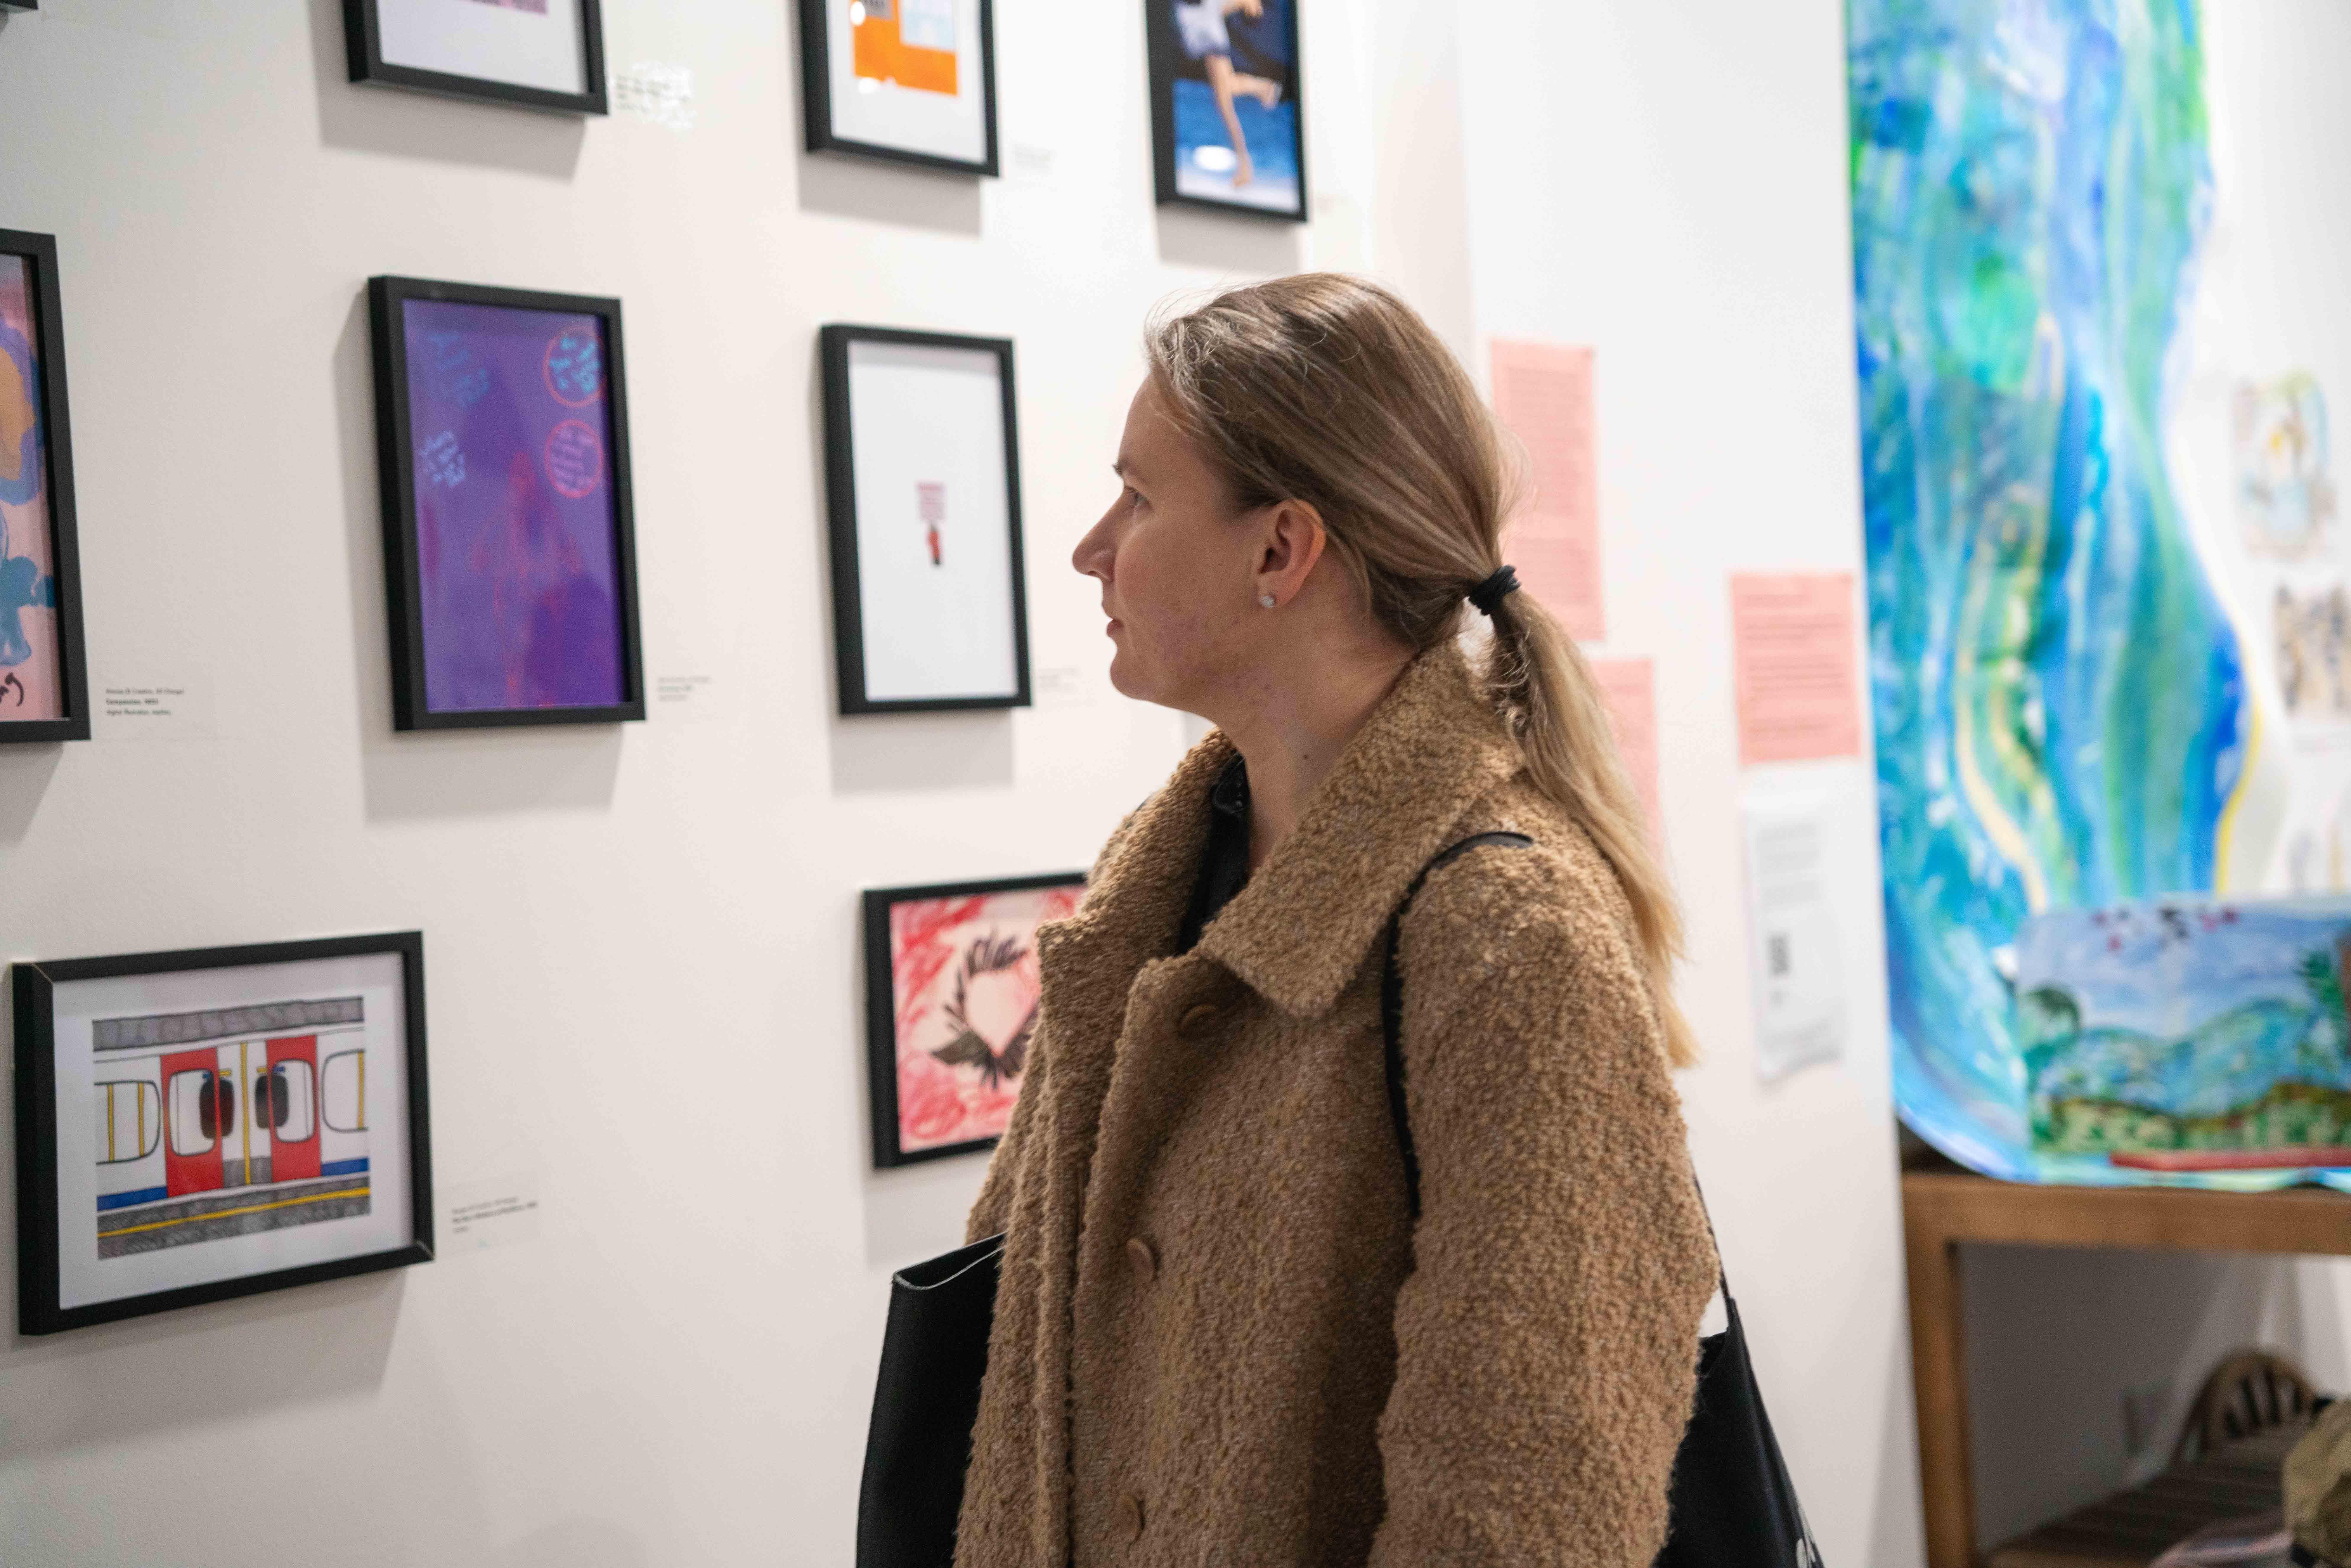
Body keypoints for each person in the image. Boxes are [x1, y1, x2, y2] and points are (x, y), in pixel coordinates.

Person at [952, 273, 1718, 1566]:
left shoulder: (1502, 925)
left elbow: (1527, 1499)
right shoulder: (1160, 869)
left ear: (1280, 550)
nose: (1092, 547)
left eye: (1139, 498)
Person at [1174, 0, 1284, 189]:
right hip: (1198, 17)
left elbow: (1220, 8)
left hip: (1204, 23)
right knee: (1227, 89)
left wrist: (1249, 5)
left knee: (1224, 100)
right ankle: (1265, 87)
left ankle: (1245, 166)